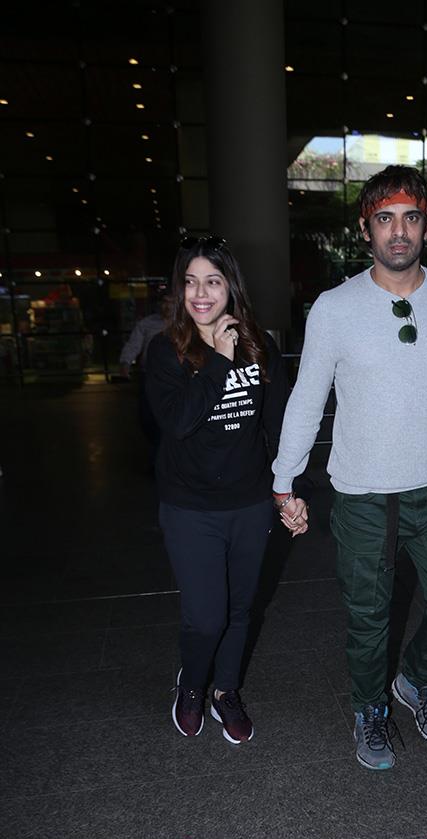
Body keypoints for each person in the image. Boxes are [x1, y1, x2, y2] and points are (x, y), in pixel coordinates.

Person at [271, 165, 427, 771]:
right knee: (369, 620)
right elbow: (306, 397)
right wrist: (283, 479)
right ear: (365, 228)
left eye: (410, 217)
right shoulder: (334, 308)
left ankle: (417, 679)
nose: (398, 231)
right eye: (384, 219)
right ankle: (369, 709)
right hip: (364, 497)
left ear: (426, 225)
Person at [146, 235, 291, 742]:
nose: (200, 294)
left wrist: (287, 489)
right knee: (206, 617)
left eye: (212, 281)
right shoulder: (165, 351)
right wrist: (218, 361)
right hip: (190, 508)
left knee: (241, 609)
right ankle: (191, 684)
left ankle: (225, 691)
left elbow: (276, 424)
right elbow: (180, 422)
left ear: (230, 286)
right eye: (190, 282)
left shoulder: (260, 345)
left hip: (249, 505)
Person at [119, 307, 165, 458]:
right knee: (148, 416)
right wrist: (126, 363)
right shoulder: (148, 323)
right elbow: (134, 344)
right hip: (150, 375)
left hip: (176, 376)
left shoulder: (187, 321)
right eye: (163, 302)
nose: (167, 306)